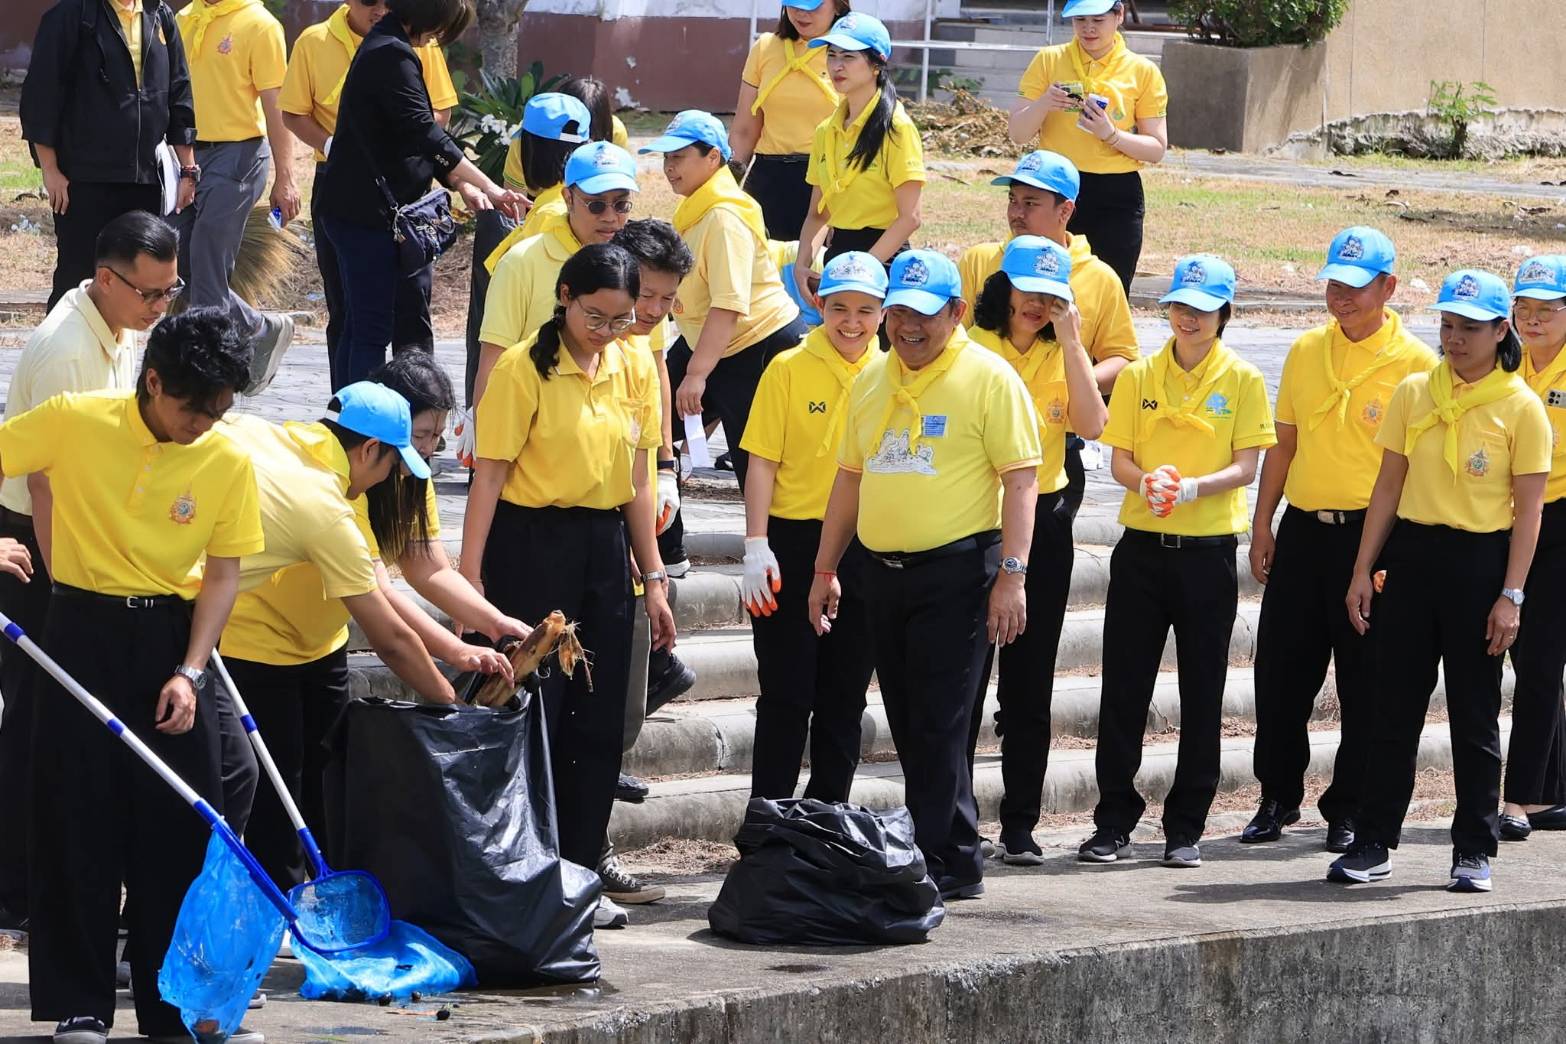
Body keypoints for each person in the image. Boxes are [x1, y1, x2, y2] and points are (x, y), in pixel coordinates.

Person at [0, 308, 264, 1044]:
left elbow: (221, 574)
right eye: (194, 408)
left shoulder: (227, 459)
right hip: (78, 629)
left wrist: (191, 669)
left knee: (181, 827)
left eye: (220, 411)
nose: (205, 424)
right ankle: (80, 1003)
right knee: (74, 820)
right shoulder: (74, 420)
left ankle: (175, 1006)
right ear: (153, 382)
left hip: (170, 639)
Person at [214, 379, 519, 889]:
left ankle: (320, 889)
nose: (392, 478)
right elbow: (390, 634)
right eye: (398, 458)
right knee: (273, 787)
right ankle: (283, 906)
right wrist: (453, 709)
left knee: (322, 782)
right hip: (254, 645)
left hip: (320, 646)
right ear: (371, 448)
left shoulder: (283, 438)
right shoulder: (329, 504)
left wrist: (466, 644)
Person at [807, 249, 1041, 901]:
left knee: (941, 721)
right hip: (882, 575)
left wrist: (1013, 576)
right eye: (899, 314)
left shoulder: (988, 378)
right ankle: (941, 847)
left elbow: (1022, 481)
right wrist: (826, 567)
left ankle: (949, 857)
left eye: (925, 315)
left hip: (960, 572)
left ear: (957, 313)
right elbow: (849, 480)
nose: (909, 328)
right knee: (910, 721)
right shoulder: (873, 380)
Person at [461, 244, 676, 927]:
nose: (607, 331)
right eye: (595, 315)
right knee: (538, 708)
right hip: (530, 542)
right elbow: (489, 474)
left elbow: (639, 480)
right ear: (564, 296)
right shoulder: (525, 368)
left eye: (622, 318)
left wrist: (655, 573)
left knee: (599, 708)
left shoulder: (634, 363)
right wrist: (471, 576)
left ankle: (582, 863)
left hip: (604, 544)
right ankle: (531, 861)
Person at [1331, 269, 1549, 894]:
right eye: (1448, 326)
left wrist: (1512, 594)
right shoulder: (1414, 392)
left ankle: (1474, 848)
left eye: (1469, 328)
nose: (1454, 339)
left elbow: (1527, 512)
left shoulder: (1521, 406)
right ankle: (1374, 842)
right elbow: (1388, 487)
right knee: (1391, 708)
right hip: (1413, 555)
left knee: (1474, 715)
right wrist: (1361, 570)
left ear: (1500, 330)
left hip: (1481, 562)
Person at [0, 212, 182, 935]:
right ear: (107, 279)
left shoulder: (114, 329)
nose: (159, 309)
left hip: (78, 535)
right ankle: (19, 888)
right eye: (150, 294)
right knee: (39, 724)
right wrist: (71, 585)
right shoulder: (67, 351)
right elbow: (46, 485)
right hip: (40, 547)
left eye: (170, 293)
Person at [1242, 227, 1435, 852]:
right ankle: (1276, 796)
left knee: (1365, 679)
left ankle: (1347, 807)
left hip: (1373, 539)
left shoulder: (1416, 365)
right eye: (1333, 284)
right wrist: (1262, 521)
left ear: (1389, 287)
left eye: (1355, 286)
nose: (1341, 297)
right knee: (1280, 671)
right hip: (1304, 528)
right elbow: (1285, 443)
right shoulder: (1305, 351)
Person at [1080, 255, 1275, 870]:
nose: (1188, 318)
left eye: (1202, 308)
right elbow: (1119, 461)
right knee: (1124, 688)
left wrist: (1193, 488)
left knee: (1203, 690)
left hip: (1209, 554)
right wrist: (1149, 483)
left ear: (1224, 314)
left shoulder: (1241, 379)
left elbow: (1248, 466)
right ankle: (1112, 819)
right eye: (1179, 307)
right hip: (1142, 552)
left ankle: (1186, 824)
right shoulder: (1140, 375)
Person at [963, 237, 1106, 864]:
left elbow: (1093, 425)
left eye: (1051, 296)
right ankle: (951, 819)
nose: (1037, 305)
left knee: (1028, 684)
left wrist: (1074, 342)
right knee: (962, 686)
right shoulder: (971, 346)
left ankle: (1019, 823)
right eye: (1027, 291)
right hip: (974, 524)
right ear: (1003, 287)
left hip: (1044, 526)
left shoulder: (1062, 351)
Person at [315, 0, 523, 390]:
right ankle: (360, 431)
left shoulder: (388, 46)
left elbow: (414, 140)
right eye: (437, 29)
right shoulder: (390, 55)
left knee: (368, 326)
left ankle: (360, 423)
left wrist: (464, 183)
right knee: (370, 332)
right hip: (367, 214)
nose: (434, 40)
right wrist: (492, 187)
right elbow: (424, 133)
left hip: (368, 208)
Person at [740, 251, 885, 801]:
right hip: (791, 541)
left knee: (845, 695)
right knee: (786, 691)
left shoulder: (891, 372)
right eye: (840, 307)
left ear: (883, 312)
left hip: (862, 545)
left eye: (866, 310)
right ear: (818, 304)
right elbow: (762, 462)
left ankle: (828, 820)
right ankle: (768, 822)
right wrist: (756, 543)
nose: (852, 322)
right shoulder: (788, 366)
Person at [280, 0, 462, 383]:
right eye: (369, 2)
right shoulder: (316, 41)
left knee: (411, 309)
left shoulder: (418, 38)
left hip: (405, 188)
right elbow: (293, 112)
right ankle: (348, 414)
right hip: (342, 182)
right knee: (350, 310)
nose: (379, 9)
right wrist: (337, 146)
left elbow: (436, 115)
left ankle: (416, 413)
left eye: (387, 2)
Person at [957, 148, 1137, 521]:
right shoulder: (979, 260)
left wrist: (1069, 385)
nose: (1016, 213)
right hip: (977, 449)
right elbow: (952, 345)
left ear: (1065, 211)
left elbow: (1123, 360)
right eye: (1012, 200)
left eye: (1031, 202)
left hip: (1056, 445)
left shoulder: (1099, 277)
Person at [640, 110, 807, 492]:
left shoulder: (722, 216)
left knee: (757, 468)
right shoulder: (697, 206)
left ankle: (768, 547)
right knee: (649, 426)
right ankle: (664, 535)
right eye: (666, 158)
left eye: (678, 157)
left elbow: (728, 304)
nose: (669, 168)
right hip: (711, 344)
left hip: (756, 346)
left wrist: (697, 375)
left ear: (713, 158)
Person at [20, 0, 194, 309]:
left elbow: (179, 93)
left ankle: (117, 356)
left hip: (144, 179)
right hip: (84, 179)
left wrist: (188, 169)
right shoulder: (70, 16)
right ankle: (63, 355)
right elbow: (41, 97)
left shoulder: (159, 15)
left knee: (132, 288)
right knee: (77, 279)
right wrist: (50, 168)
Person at [465, 140, 640, 443]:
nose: (611, 217)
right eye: (597, 204)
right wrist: (486, 442)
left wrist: (662, 464)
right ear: (568, 198)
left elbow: (652, 362)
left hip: (609, 445)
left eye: (621, 204)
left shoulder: (637, 264)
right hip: (530, 441)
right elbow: (493, 361)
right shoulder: (522, 262)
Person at [170, 0, 297, 395]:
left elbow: (278, 107)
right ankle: (258, 327)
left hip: (237, 154)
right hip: (186, 155)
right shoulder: (182, 18)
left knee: (208, 265)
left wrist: (286, 177)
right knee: (176, 264)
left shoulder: (260, 25)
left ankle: (204, 382)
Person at [1007, 0, 1168, 294]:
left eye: (1098, 19)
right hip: (1053, 186)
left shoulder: (1142, 71)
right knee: (1043, 285)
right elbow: (1017, 133)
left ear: (1118, 16)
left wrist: (1112, 135)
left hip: (1115, 193)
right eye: (1080, 20)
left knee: (1110, 289)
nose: (1088, 28)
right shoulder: (1048, 60)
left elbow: (1156, 148)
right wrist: (1044, 103)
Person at [1502, 255, 1566, 840]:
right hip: (1510, 516)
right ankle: (1552, 791)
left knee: (1541, 658)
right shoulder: (1507, 361)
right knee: (1536, 659)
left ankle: (1522, 797)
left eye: (1548, 309)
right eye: (1525, 308)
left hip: (1561, 518)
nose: (1535, 320)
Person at [795, 12, 924, 289]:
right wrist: (802, 264)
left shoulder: (897, 128)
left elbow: (910, 218)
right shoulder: (825, 131)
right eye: (832, 55)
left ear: (876, 65)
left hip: (884, 258)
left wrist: (863, 270)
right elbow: (818, 214)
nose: (836, 66)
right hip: (840, 255)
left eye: (848, 57)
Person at [731, 0, 845, 239]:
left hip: (826, 180)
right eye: (794, 3)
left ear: (837, 5)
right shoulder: (765, 48)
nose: (801, 13)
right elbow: (744, 131)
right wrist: (727, 188)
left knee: (818, 270)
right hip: (768, 180)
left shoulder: (849, 52)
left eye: (813, 5)